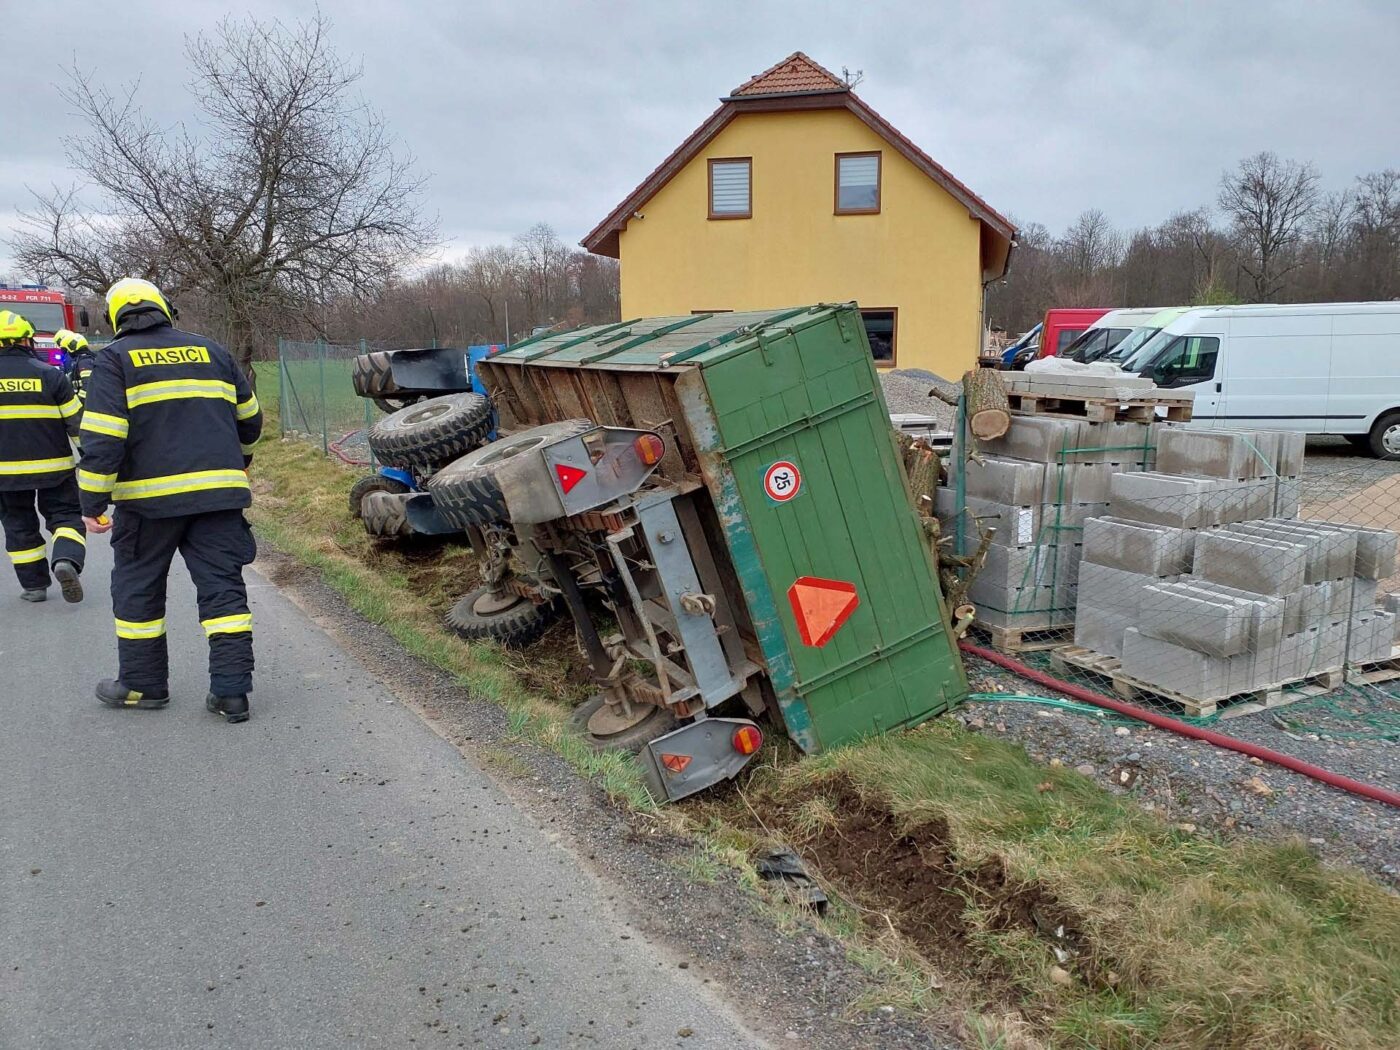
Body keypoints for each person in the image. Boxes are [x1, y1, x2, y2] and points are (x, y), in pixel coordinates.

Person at [78, 278, 263, 722]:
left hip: (147, 506)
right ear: (165, 308)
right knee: (223, 590)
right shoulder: (213, 352)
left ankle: (143, 685)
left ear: (115, 317)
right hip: (218, 499)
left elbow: (104, 439)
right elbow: (251, 422)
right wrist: (239, 463)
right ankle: (232, 693)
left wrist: (92, 503)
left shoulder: (114, 359)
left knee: (138, 590)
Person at [0, 310, 86, 603]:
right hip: (55, 468)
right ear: (27, 340)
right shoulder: (50, 374)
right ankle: (66, 559)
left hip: (5, 474)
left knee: (18, 524)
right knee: (66, 516)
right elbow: (77, 425)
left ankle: (35, 586)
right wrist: (93, 459)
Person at [54, 328, 96, 403]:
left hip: (86, 403)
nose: (67, 352)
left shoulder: (85, 362)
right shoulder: (81, 360)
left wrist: (78, 402)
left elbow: (87, 385)